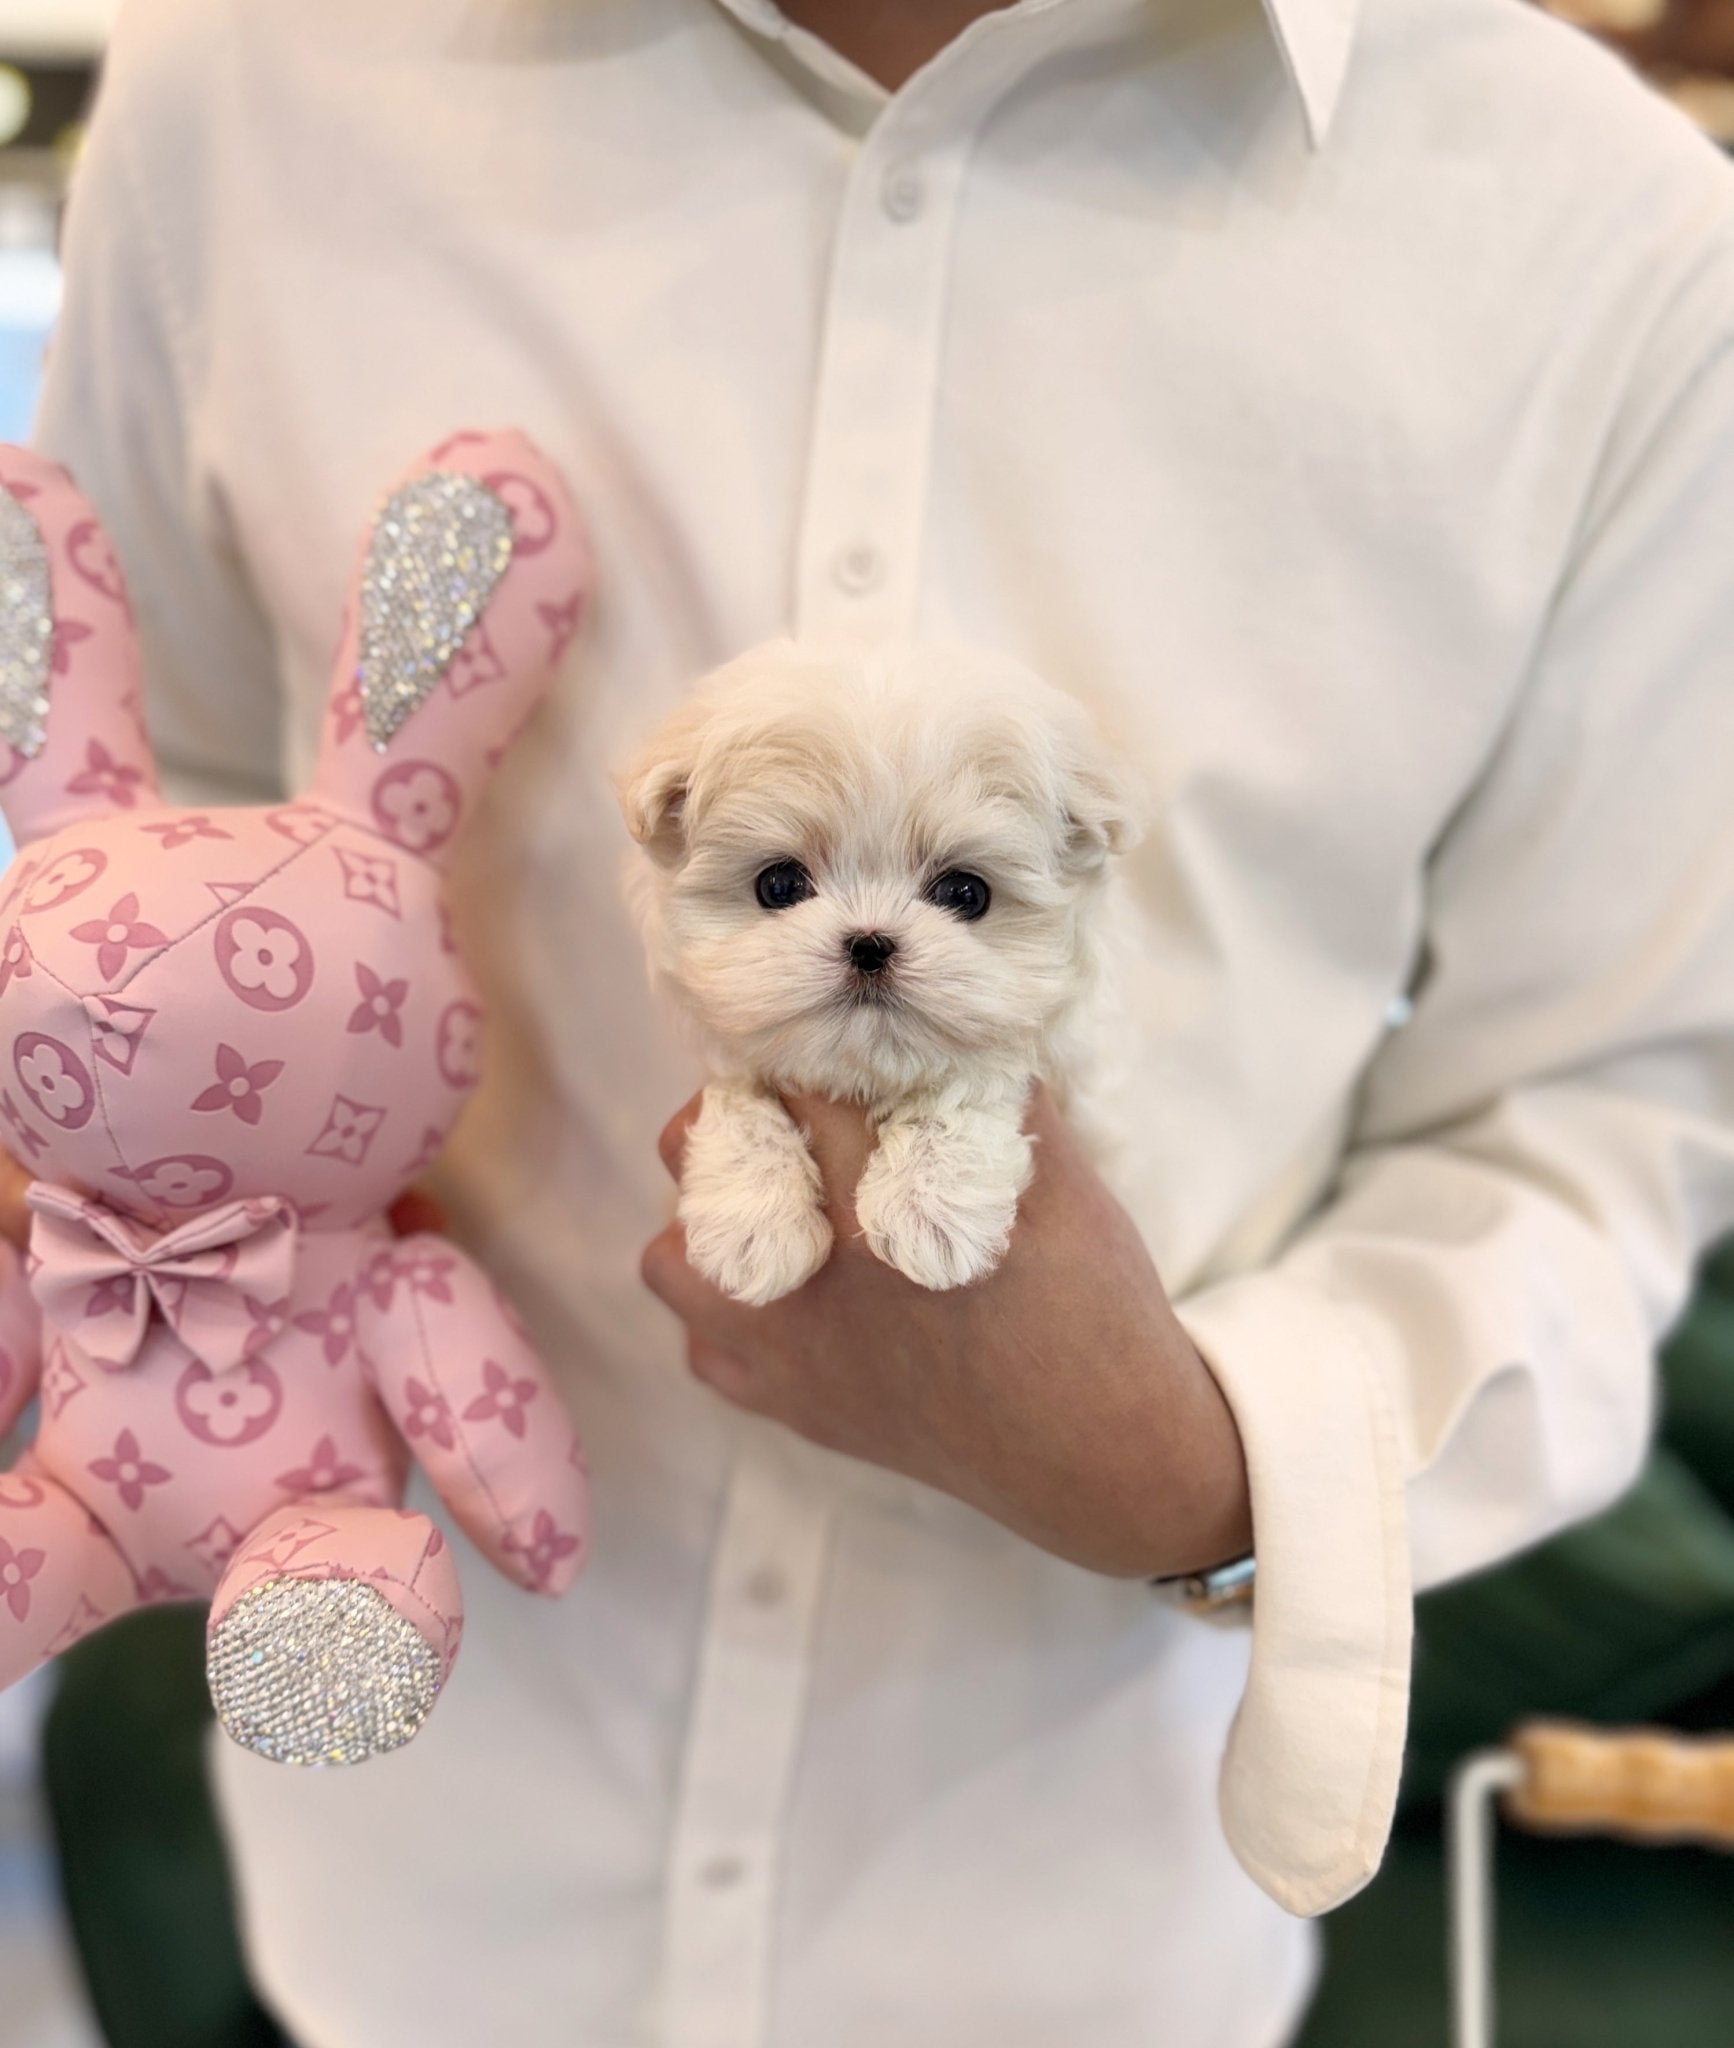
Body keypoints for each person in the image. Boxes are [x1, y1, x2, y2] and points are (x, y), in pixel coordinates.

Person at [19, 0, 1734, 2041]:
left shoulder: (1613, 240)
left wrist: (1193, 1470)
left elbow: (1602, 1098)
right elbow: (148, 813)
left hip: (1084, 1912)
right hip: (404, 1879)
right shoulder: (255, 77)